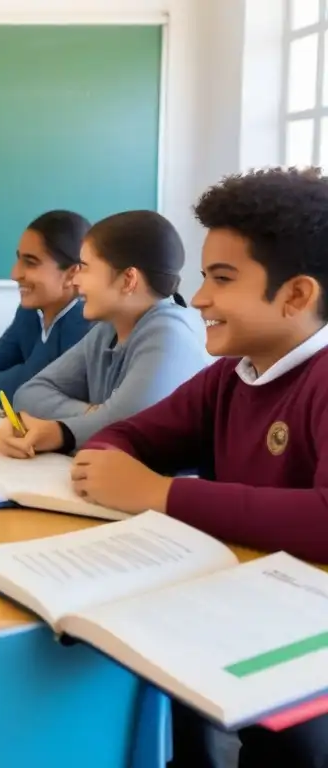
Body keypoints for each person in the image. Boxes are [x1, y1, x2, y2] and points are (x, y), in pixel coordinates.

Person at [69, 168, 328, 768]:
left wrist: (162, 495)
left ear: (295, 296)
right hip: (250, 615)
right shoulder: (230, 376)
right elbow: (125, 435)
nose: (201, 297)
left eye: (222, 278)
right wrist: (109, 459)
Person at [0, 210, 210, 457]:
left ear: (128, 279)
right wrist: (96, 413)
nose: (75, 282)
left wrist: (63, 429)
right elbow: (28, 394)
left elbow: (128, 428)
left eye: (85, 268)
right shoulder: (106, 329)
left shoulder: (170, 333)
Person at [0, 210, 93, 407]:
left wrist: (25, 375)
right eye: (18, 259)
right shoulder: (30, 313)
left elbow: (40, 401)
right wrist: (27, 376)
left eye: (30, 263)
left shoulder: (87, 324)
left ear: (71, 274)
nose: (15, 273)